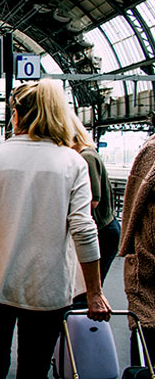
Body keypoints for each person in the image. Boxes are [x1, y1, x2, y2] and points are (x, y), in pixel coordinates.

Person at [0, 80, 111, 378]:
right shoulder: (73, 163)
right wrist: (95, 293)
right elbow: (84, 230)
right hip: (47, 289)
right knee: (34, 369)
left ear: (17, 115)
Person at [119, 114, 155, 366]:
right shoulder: (151, 152)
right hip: (148, 271)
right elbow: (133, 211)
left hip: (146, 266)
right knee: (147, 347)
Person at [70, 113, 120, 283]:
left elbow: (92, 201)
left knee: (90, 284)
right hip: (105, 228)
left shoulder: (87, 157)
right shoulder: (88, 153)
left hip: (103, 231)